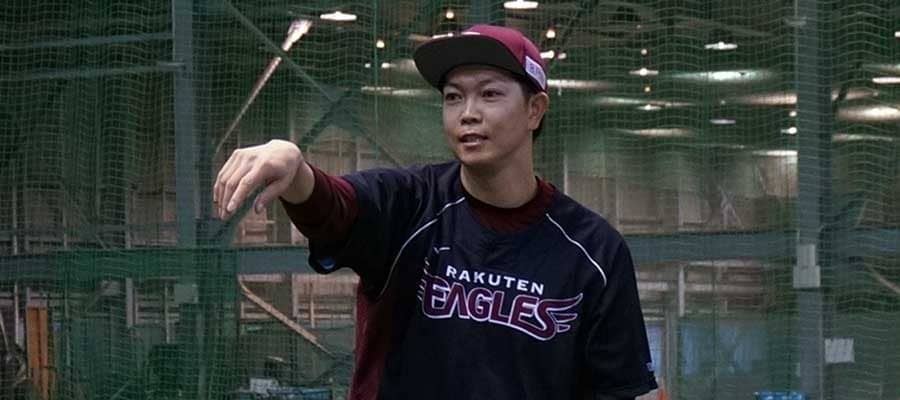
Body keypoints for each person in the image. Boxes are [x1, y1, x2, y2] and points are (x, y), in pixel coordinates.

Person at [214, 24, 658, 400]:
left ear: (535, 110)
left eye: (489, 94)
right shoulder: (409, 203)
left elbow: (619, 388)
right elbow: (337, 208)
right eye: (452, 97)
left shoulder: (594, 251)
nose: (468, 113)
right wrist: (297, 173)